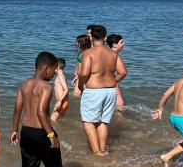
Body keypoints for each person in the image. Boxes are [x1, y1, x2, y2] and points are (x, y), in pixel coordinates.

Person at [10, 52, 62, 167]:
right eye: (54, 70)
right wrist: (51, 134)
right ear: (46, 68)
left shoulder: (24, 84)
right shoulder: (46, 87)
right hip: (42, 134)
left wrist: (15, 130)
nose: (54, 74)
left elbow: (17, 109)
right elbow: (41, 112)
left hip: (26, 132)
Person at [78, 25, 126, 156]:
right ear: (105, 37)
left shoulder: (88, 53)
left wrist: (81, 85)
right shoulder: (113, 53)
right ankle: (103, 148)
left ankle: (96, 151)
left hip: (94, 91)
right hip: (110, 91)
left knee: (88, 122)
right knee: (103, 121)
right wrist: (114, 81)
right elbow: (122, 72)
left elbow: (84, 73)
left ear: (91, 37)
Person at [106, 34, 127, 111]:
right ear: (114, 45)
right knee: (119, 103)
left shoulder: (106, 52)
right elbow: (123, 73)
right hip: (110, 80)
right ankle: (120, 119)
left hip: (101, 81)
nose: (123, 44)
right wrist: (114, 81)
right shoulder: (115, 55)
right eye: (121, 42)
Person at [51, 58, 69, 123]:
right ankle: (65, 131)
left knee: (52, 119)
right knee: (61, 120)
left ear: (57, 67)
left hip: (61, 102)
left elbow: (66, 89)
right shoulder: (61, 76)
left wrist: (59, 101)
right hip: (63, 102)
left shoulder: (60, 77)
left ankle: (53, 132)